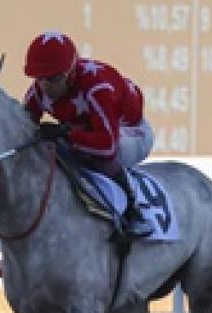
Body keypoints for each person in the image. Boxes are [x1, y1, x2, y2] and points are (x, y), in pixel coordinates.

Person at [23, 30, 155, 237]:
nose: (46, 86)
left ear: (70, 73)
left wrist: (66, 134)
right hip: (88, 130)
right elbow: (24, 132)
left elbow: (107, 147)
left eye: (54, 79)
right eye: (39, 78)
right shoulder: (38, 92)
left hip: (129, 132)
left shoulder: (97, 89)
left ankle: (134, 212)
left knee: (94, 155)